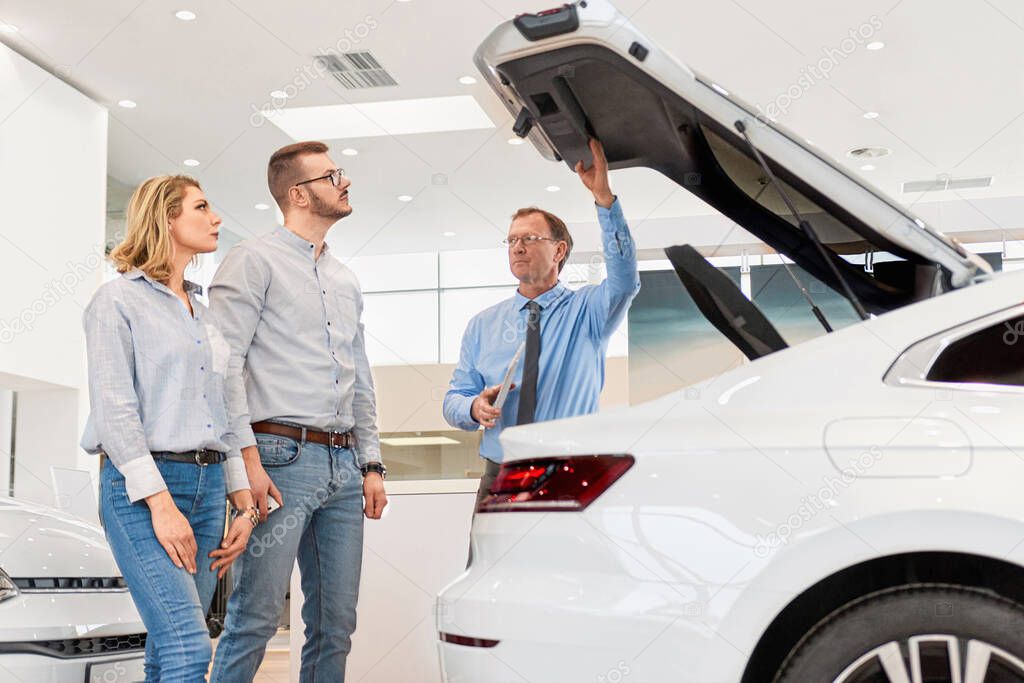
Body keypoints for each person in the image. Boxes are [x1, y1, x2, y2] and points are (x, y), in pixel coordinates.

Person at [208, 141, 387, 682]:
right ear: (298, 194)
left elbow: (361, 378)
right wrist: (247, 466)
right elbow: (223, 370)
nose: (345, 182)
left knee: (336, 622)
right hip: (279, 458)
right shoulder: (252, 261)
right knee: (255, 617)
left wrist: (372, 463)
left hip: (344, 465)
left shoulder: (344, 278)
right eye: (332, 175)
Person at [82, 175, 257, 681]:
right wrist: (160, 504)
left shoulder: (205, 316)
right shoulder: (115, 302)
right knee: (188, 645)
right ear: (165, 219)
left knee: (167, 650)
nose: (216, 217)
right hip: (142, 492)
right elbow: (116, 413)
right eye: (201, 207)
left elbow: (227, 416)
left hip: (207, 492)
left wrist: (242, 503)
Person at [444, 138, 639, 509]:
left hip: (568, 470)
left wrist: (605, 202)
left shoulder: (589, 312)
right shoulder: (482, 325)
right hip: (500, 471)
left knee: (566, 565)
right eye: (512, 239)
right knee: (491, 567)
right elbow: (454, 398)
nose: (517, 247)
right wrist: (473, 407)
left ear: (560, 250)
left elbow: (625, 279)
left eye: (530, 238)